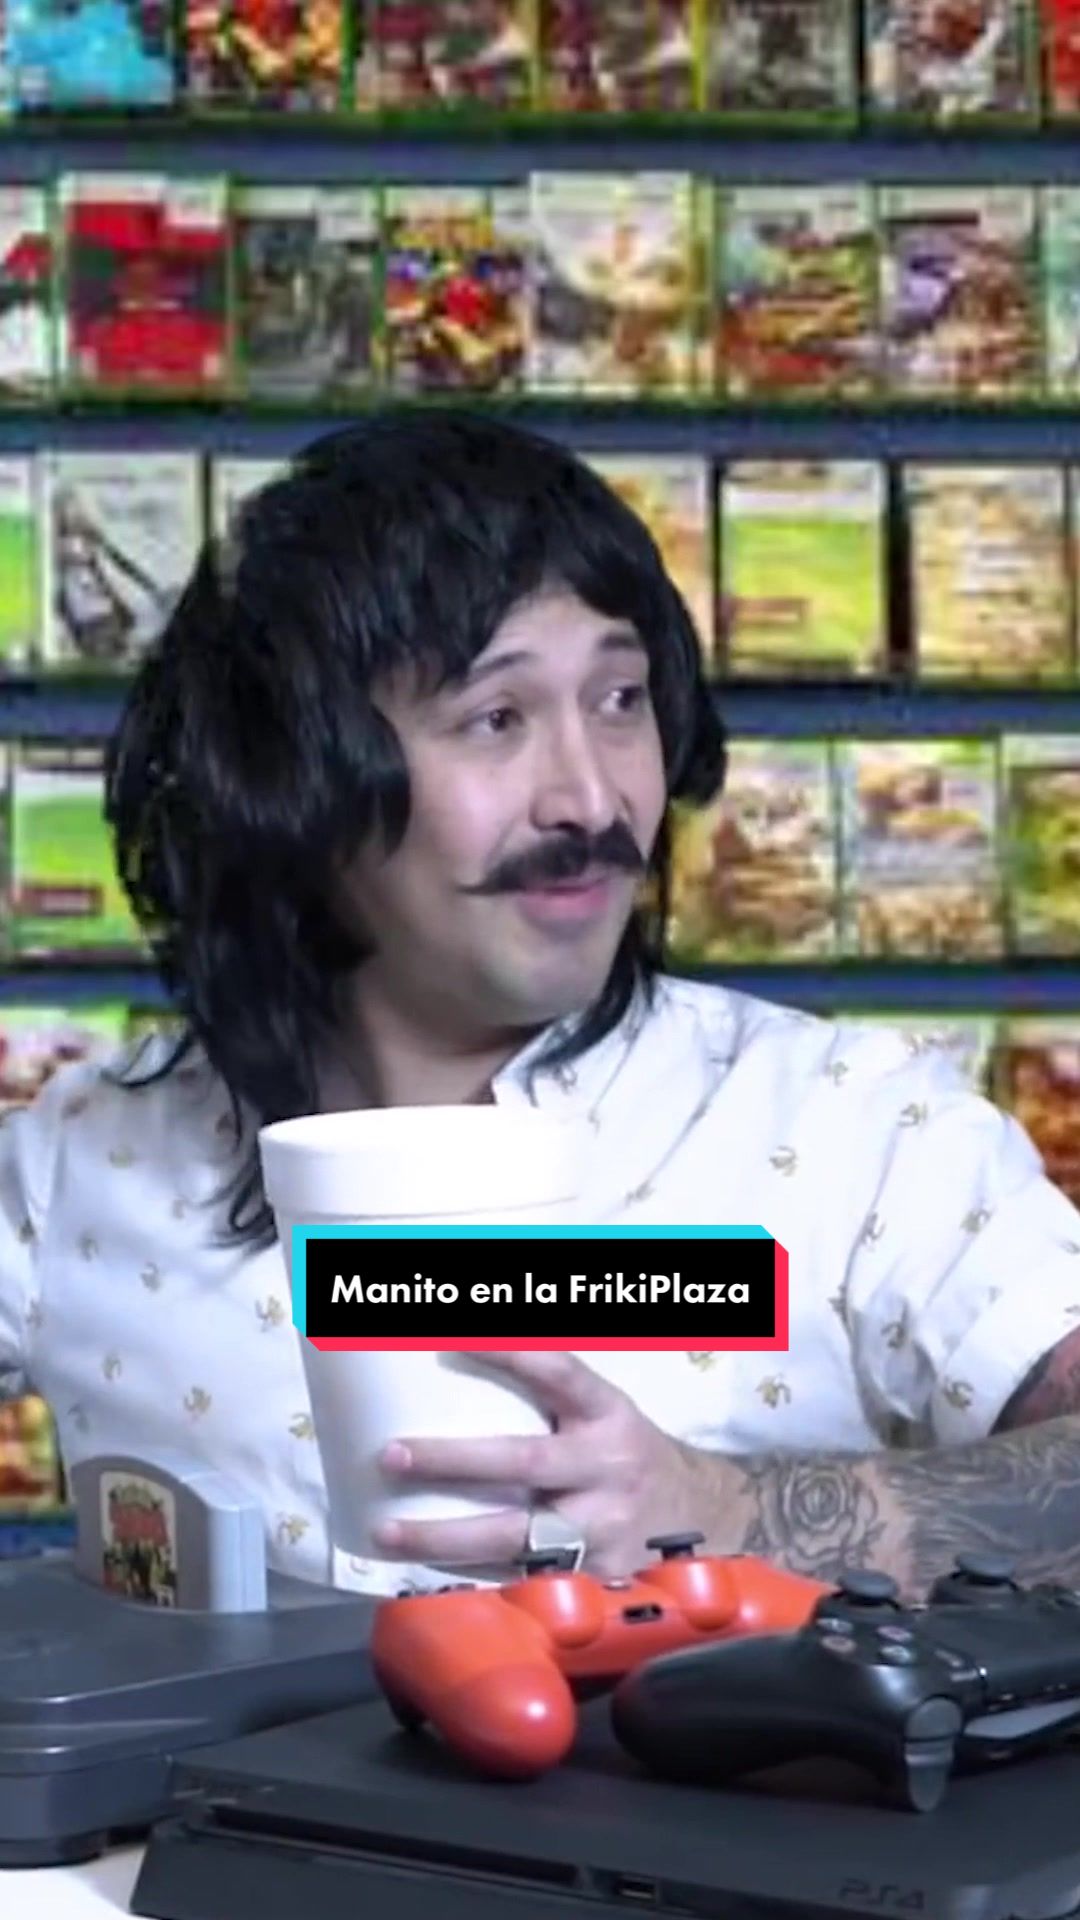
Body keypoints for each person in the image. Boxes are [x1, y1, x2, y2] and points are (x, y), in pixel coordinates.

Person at [1, 410, 1079, 1602]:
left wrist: (727, 1509)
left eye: (621, 699)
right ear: (291, 776)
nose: (591, 800)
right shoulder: (78, 1165)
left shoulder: (858, 1135)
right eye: (497, 718)